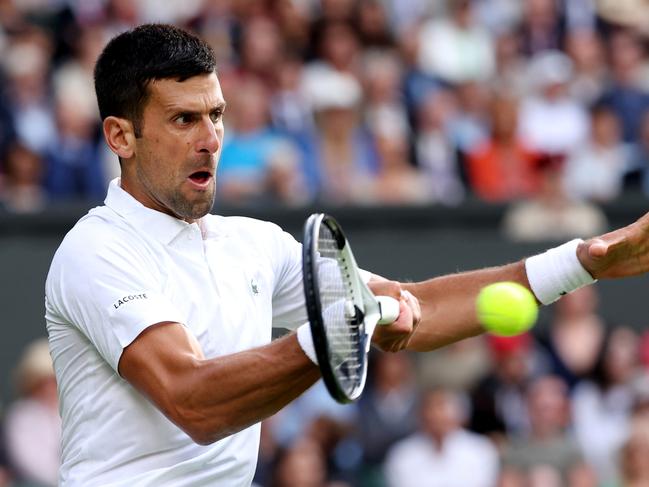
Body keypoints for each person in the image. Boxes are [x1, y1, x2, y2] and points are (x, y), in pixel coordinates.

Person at [44, 24, 649, 486]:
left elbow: (415, 313)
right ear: (120, 136)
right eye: (183, 120)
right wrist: (328, 337)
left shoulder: (252, 245)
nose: (210, 140)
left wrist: (584, 261)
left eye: (218, 115)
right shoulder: (95, 252)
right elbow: (196, 402)